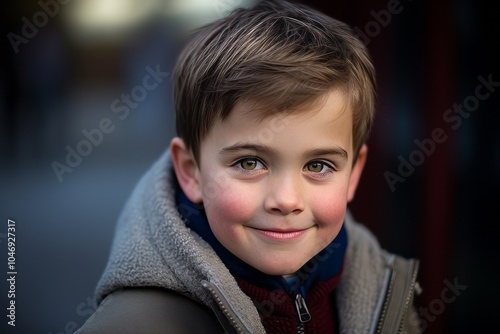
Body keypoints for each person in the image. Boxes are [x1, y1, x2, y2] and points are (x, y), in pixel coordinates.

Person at [76, 0, 421, 333]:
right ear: (191, 171)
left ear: (353, 174)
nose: (286, 200)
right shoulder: (137, 324)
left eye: (318, 165)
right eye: (250, 162)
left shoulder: (381, 288)